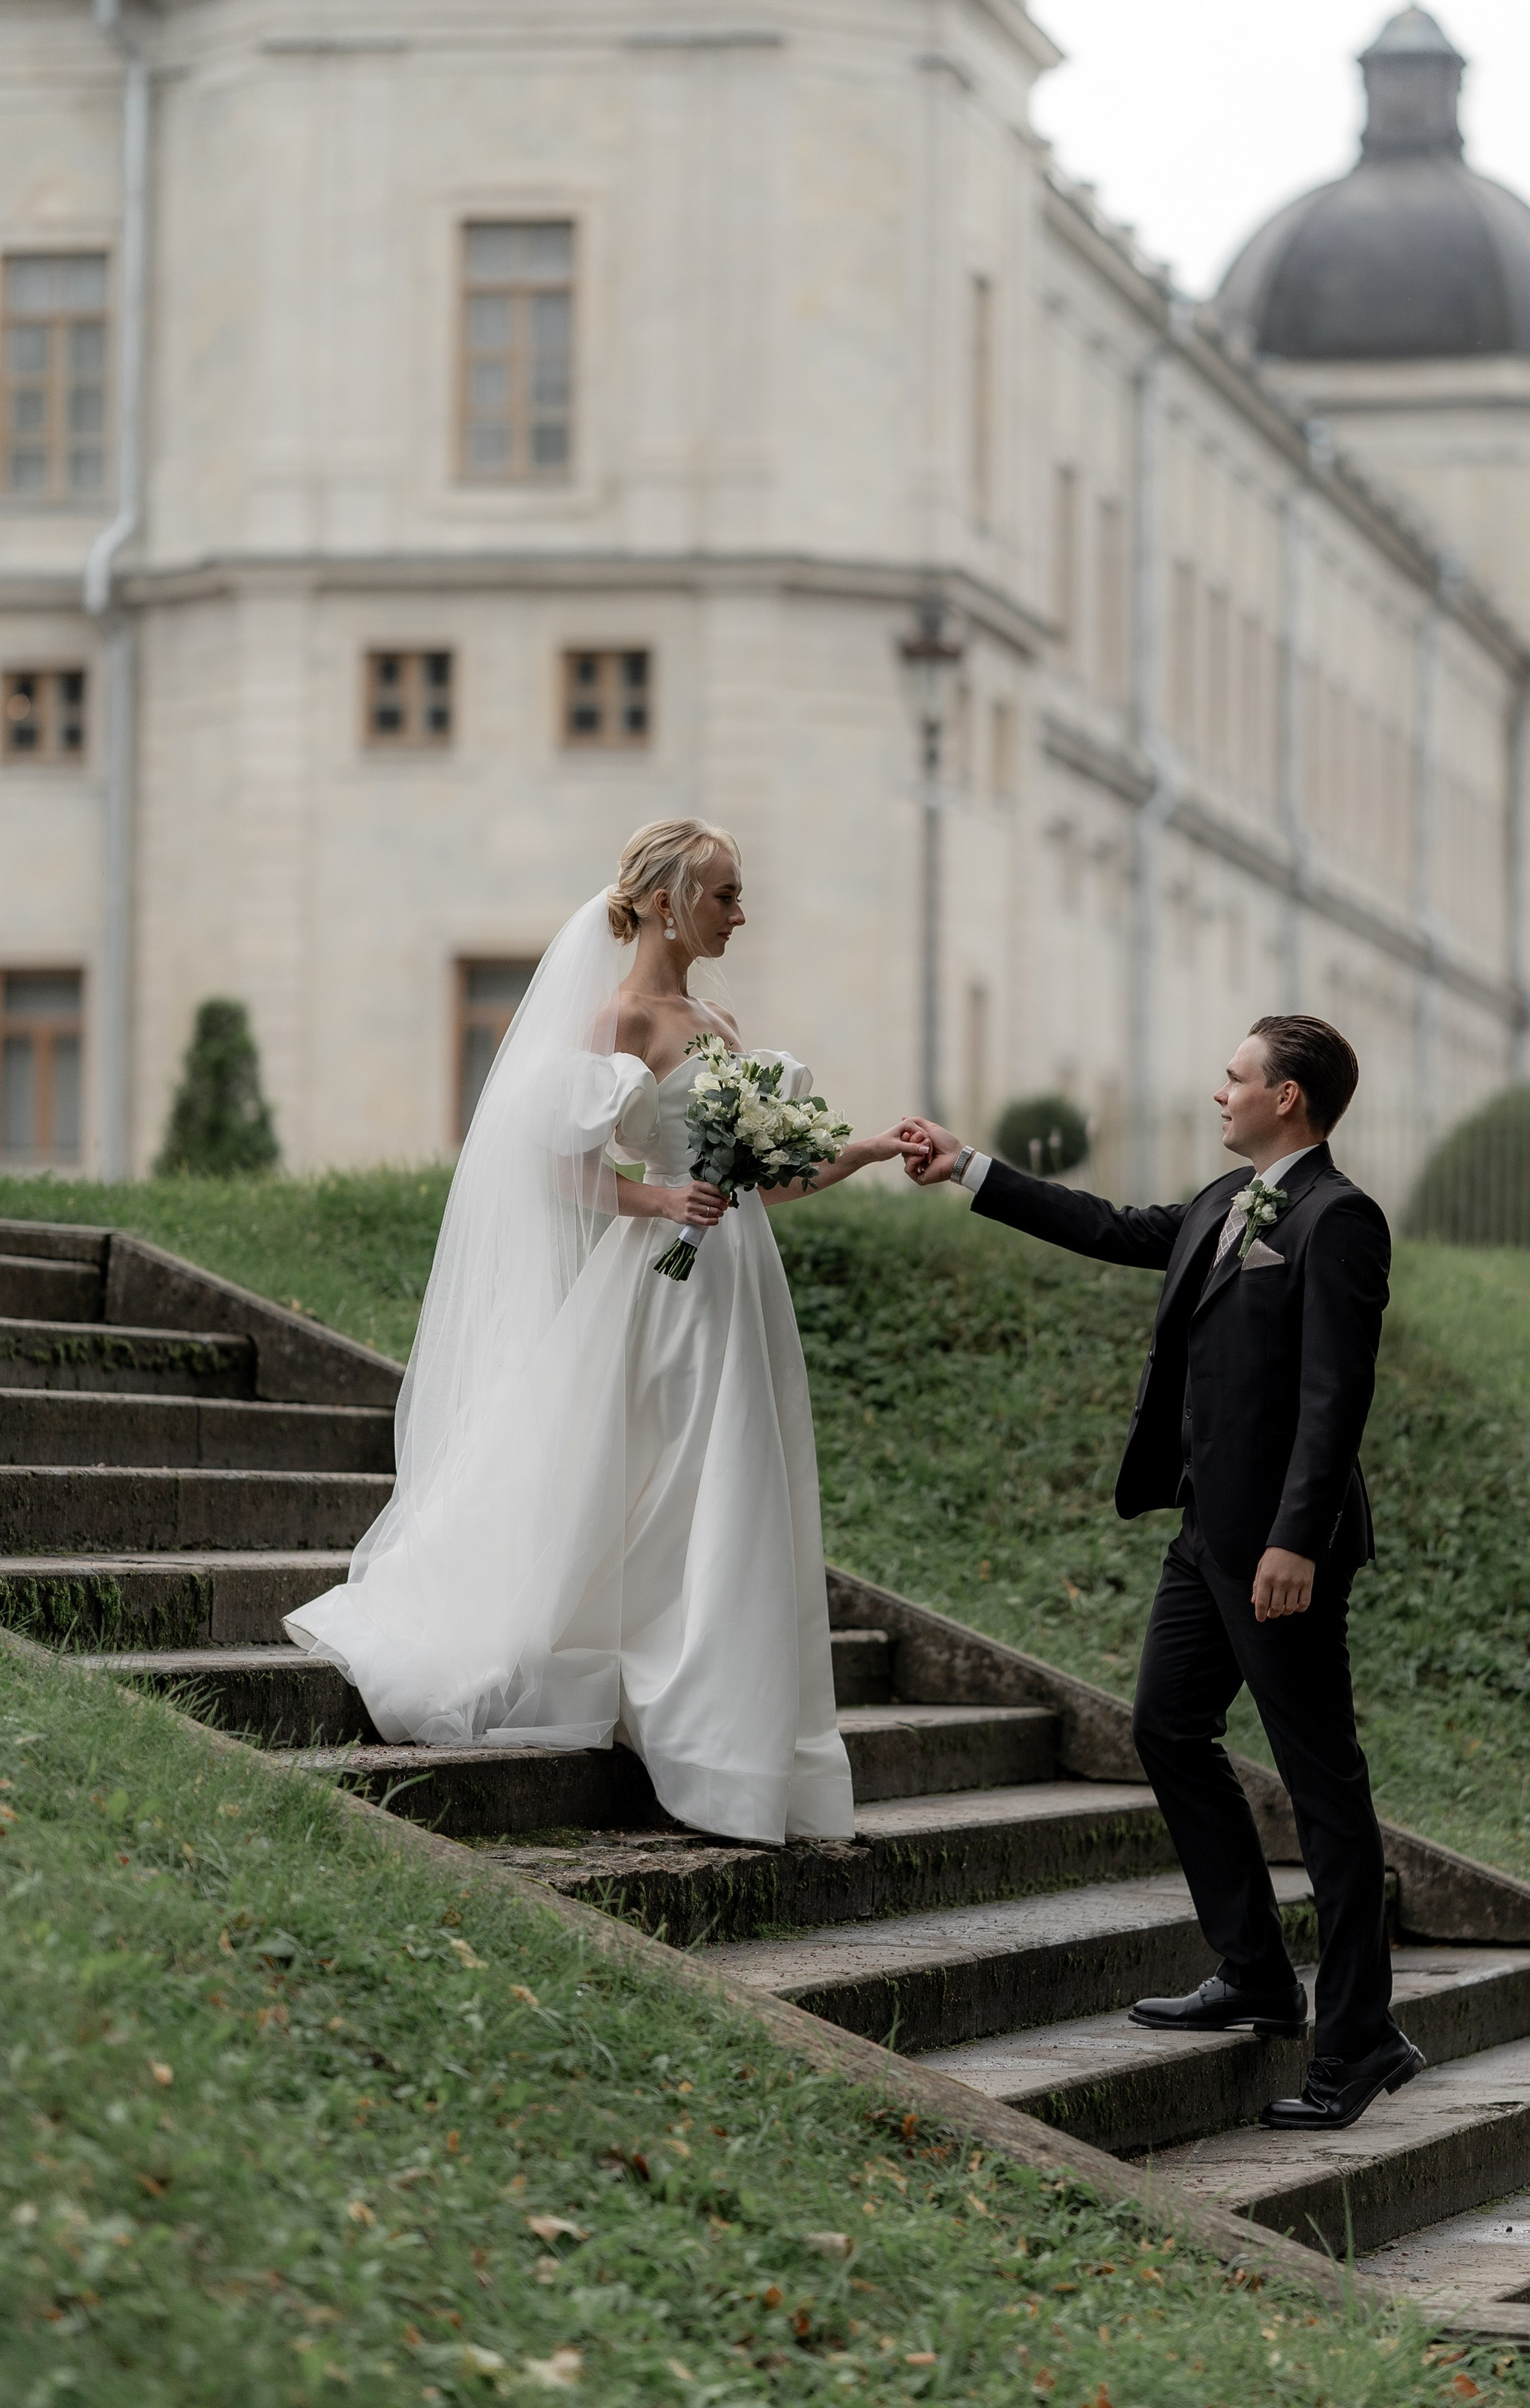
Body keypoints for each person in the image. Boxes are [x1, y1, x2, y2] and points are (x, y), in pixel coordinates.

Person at [290, 818, 916, 1847]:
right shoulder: (620, 1019)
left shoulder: (718, 1017)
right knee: (665, 1479)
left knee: (737, 1485)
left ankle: (733, 1732)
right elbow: (551, 1168)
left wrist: (874, 1148)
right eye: (725, 894)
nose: (740, 913)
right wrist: (661, 1201)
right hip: (664, 1293)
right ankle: (681, 1714)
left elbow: (771, 1179)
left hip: (743, 1288)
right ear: (668, 900)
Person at [901, 1016, 1421, 2130]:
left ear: (1289, 1098)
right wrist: (969, 1169)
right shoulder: (1221, 1205)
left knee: (1324, 1783)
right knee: (1167, 1727)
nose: (1216, 1092)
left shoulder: (1339, 1220)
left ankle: (1362, 2035)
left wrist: (1295, 1539)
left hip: (1280, 1551)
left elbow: (1337, 1398)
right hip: (1205, 1538)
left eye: (1235, 1077)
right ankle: (1255, 1973)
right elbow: (1107, 1225)